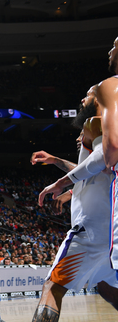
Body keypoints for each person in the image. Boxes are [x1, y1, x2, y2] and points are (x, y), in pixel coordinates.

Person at [33, 87, 118, 320]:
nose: (83, 98)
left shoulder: (96, 122)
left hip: (94, 229)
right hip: (113, 231)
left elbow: (99, 159)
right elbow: (96, 169)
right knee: (108, 289)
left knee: (53, 287)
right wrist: (57, 163)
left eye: (90, 94)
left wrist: (60, 184)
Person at [93, 37, 118, 273]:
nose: (110, 50)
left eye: (114, 46)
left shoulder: (110, 85)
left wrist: (110, 164)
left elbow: (113, 142)